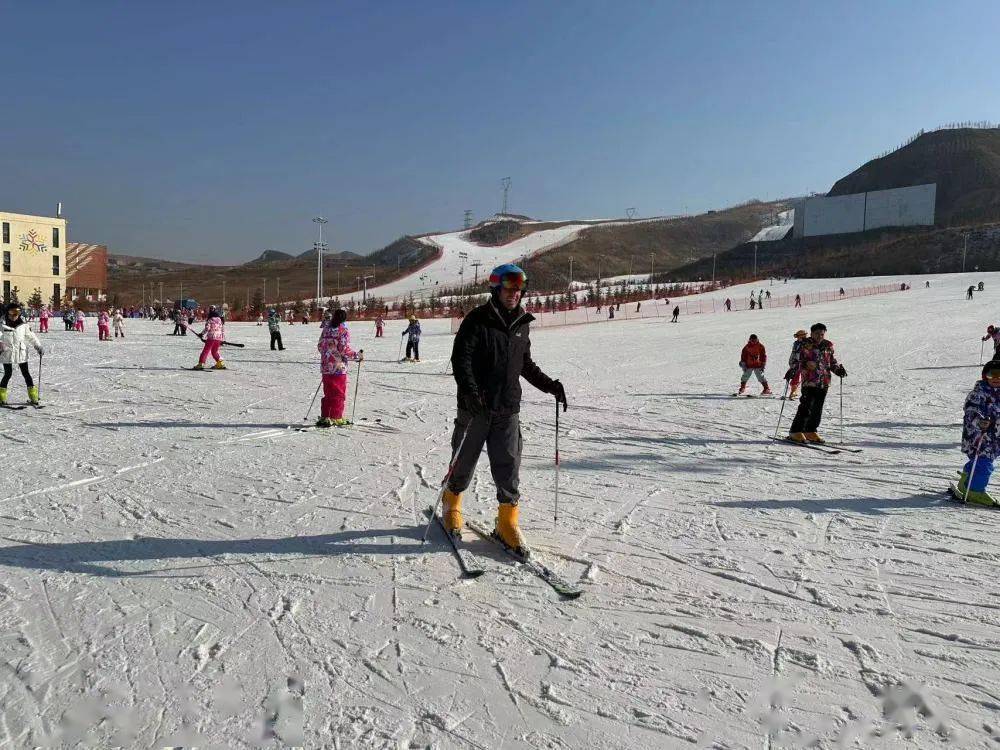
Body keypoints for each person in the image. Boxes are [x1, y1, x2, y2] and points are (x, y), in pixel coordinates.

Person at [445, 263, 567, 553]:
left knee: (509, 466)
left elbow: (524, 364)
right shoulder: (477, 320)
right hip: (476, 409)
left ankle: (507, 522)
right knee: (463, 462)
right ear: (496, 288)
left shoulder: (522, 324)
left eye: (518, 288)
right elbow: (461, 361)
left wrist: (550, 385)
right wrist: (471, 394)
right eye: (508, 287)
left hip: (508, 408)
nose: (514, 293)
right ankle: (451, 505)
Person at [784, 323, 846, 444]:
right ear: (811, 333)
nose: (819, 336)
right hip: (810, 381)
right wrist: (796, 369)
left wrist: (838, 369)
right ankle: (795, 431)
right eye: (817, 334)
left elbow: (831, 362)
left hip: (824, 381)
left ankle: (810, 430)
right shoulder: (804, 345)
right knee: (806, 407)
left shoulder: (828, 345)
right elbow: (796, 361)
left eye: (822, 334)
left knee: (817, 408)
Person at [957, 361, 1000, 506]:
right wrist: (979, 420)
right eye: (991, 374)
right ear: (984, 376)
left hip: (994, 438)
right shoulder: (979, 392)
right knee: (984, 464)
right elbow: (970, 410)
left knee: (979, 462)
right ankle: (975, 490)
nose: (996, 378)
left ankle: (966, 481)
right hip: (977, 436)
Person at [315, 309, 363, 427]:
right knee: (338, 393)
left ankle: (326, 416)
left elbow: (320, 346)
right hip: (338, 367)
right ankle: (336, 417)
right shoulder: (343, 330)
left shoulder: (326, 329)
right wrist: (357, 356)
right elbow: (343, 349)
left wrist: (327, 355)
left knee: (328, 392)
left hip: (326, 366)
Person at [0, 303, 43, 406]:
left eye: (17, 313)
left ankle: (33, 397)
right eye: (12, 313)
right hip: (7, 352)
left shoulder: (23, 325)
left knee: (26, 374)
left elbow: (31, 336)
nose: (15, 316)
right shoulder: (2, 324)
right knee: (8, 374)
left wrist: (38, 346)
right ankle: (1, 397)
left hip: (21, 352)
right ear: (7, 313)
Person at [787, 330, 808, 400]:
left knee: (806, 379)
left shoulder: (808, 343)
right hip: (797, 363)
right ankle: (793, 392)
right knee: (795, 377)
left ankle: (805, 394)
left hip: (806, 364)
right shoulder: (796, 344)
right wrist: (791, 362)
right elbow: (793, 353)